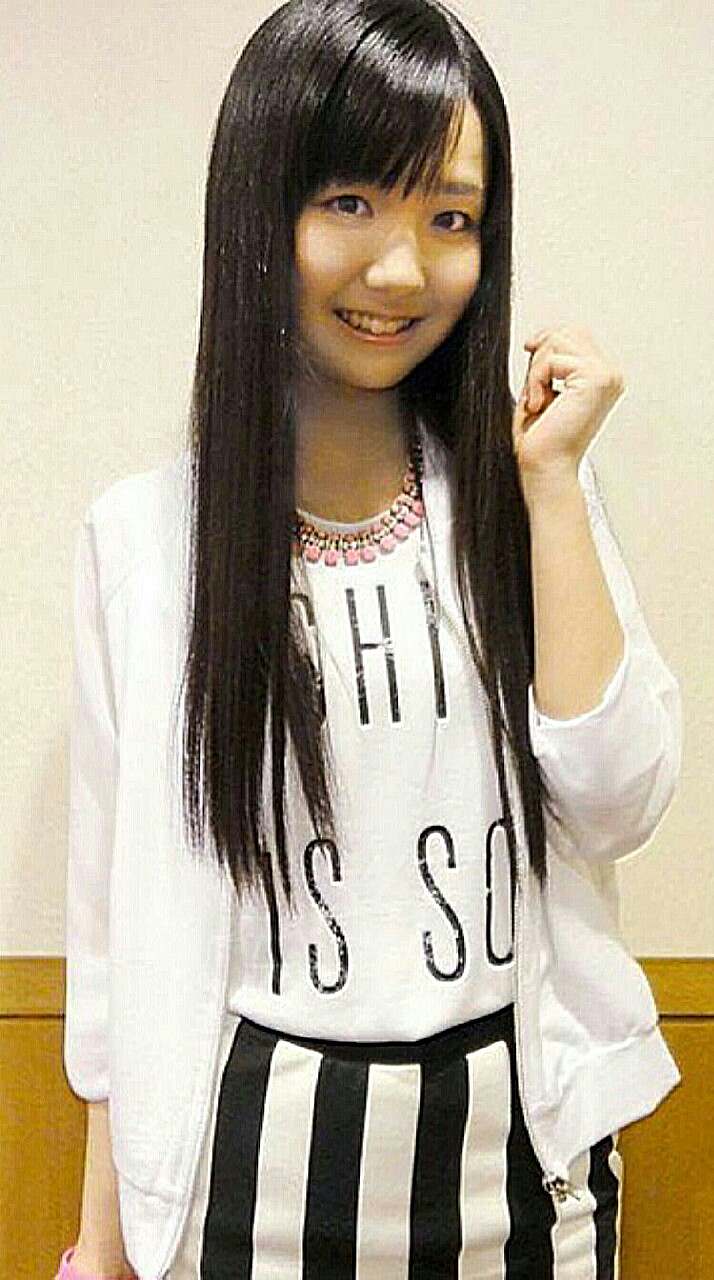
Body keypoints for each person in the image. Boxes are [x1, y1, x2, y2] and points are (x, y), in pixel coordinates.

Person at [57, 1, 683, 1277]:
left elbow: (620, 798)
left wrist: (553, 485)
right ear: (259, 213)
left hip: (525, 1173)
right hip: (247, 1179)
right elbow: (116, 944)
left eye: (451, 217)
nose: (402, 269)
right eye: (351, 202)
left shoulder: (529, 502)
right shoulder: (144, 541)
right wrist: (101, 1247)